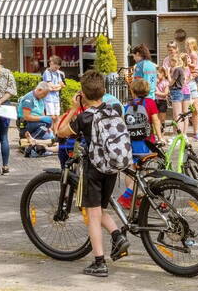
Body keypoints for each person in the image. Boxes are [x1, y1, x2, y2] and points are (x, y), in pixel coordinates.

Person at [56, 70, 129, 277]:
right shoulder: (114, 109)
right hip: (112, 167)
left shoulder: (85, 117)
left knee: (92, 214)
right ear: (104, 92)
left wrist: (73, 109)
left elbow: (60, 131)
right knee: (98, 209)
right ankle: (117, 236)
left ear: (83, 94)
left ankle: (99, 262)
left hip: (93, 169)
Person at [118, 77, 164, 210]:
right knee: (147, 171)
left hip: (132, 143)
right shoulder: (150, 103)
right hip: (146, 142)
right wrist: (160, 137)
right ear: (147, 90)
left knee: (132, 171)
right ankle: (128, 197)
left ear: (133, 91)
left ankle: (133, 200)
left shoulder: (128, 105)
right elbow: (155, 121)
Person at [184, 37, 198, 141]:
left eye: (189, 44)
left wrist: (192, 72)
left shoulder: (193, 54)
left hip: (191, 83)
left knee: (194, 109)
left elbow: (196, 69)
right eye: (186, 44)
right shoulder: (186, 55)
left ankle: (195, 133)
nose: (187, 46)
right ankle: (185, 133)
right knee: (188, 110)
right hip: (187, 84)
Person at [167, 48, 190, 136]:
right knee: (184, 115)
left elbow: (171, 82)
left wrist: (168, 74)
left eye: (171, 61)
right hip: (183, 91)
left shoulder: (177, 70)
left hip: (176, 91)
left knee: (177, 116)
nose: (170, 63)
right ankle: (184, 135)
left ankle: (179, 136)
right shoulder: (183, 69)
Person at [41, 56, 66, 121]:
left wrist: (57, 87)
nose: (56, 69)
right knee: (51, 117)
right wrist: (58, 86)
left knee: (57, 117)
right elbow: (51, 86)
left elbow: (62, 85)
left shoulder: (58, 72)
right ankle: (50, 131)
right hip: (49, 98)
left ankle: (56, 131)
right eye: (55, 67)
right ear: (51, 63)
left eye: (58, 68)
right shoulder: (47, 72)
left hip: (56, 98)